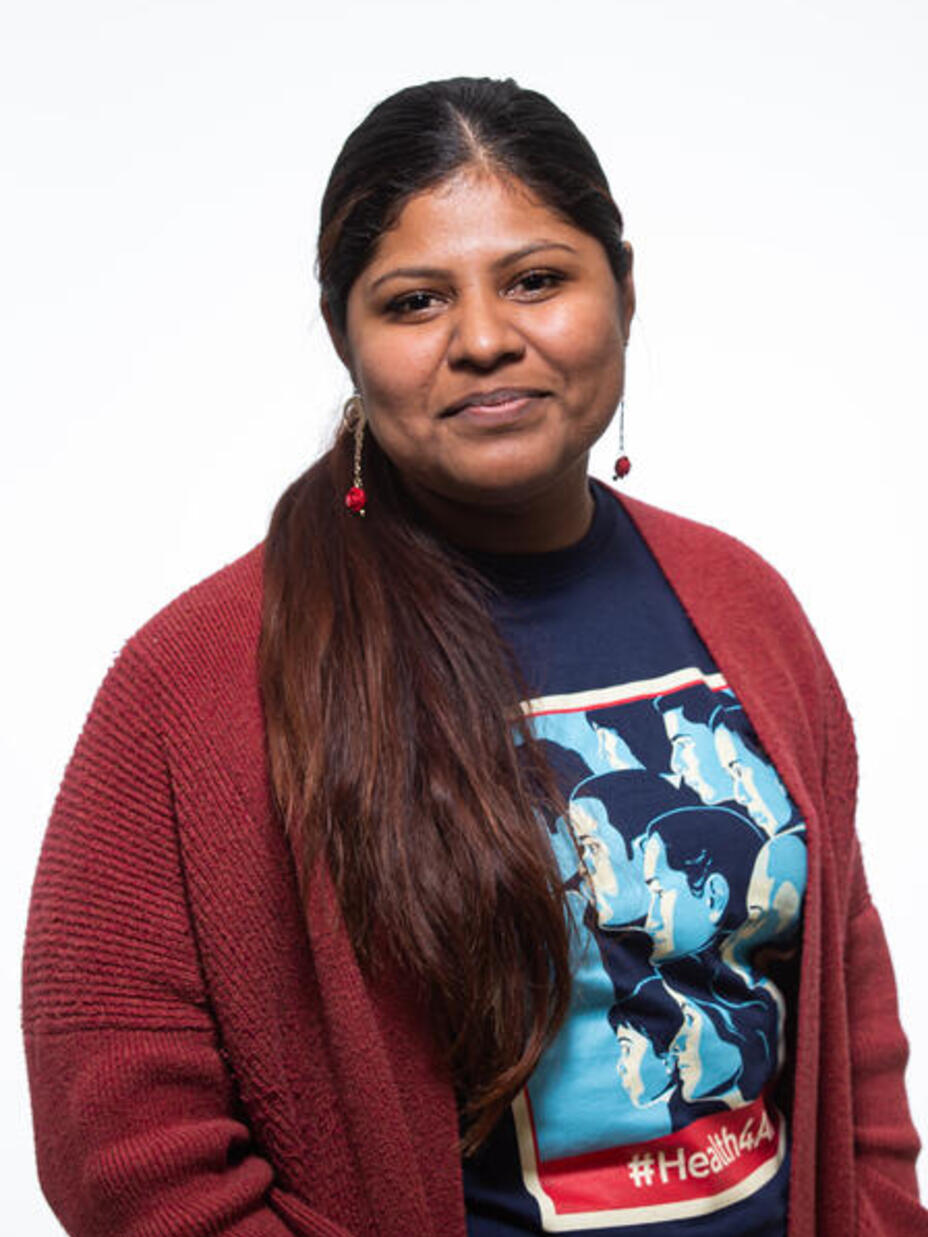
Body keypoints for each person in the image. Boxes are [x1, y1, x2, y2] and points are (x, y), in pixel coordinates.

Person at [21, 76, 927, 1237]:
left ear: (625, 289)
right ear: (346, 336)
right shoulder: (195, 681)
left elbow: (847, 1021)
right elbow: (126, 1142)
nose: (486, 339)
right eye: (413, 302)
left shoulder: (743, 606)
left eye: (538, 279)